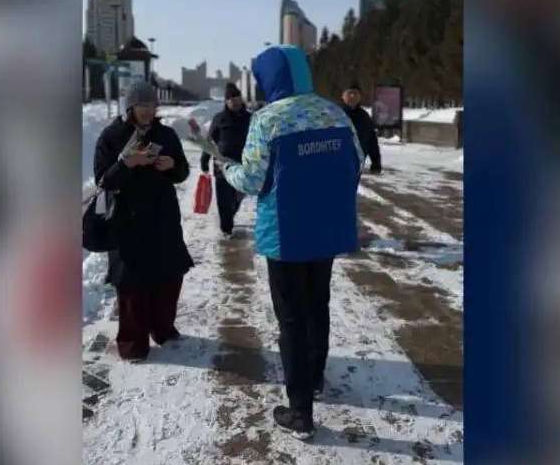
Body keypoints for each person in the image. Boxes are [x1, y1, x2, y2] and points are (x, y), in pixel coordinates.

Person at [191, 45, 362, 440]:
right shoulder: (334, 112)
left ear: (270, 79)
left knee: (292, 317)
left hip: (285, 235)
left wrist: (225, 165)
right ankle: (315, 376)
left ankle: (300, 411)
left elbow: (252, 180)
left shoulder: (267, 120)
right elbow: (354, 165)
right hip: (327, 231)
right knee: (318, 305)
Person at [93, 80, 193, 362]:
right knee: (133, 284)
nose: (148, 110)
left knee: (169, 275)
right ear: (130, 107)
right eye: (142, 105)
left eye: (152, 104)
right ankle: (133, 343)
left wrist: (172, 166)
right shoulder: (111, 137)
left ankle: (162, 328)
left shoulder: (167, 134)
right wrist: (127, 164)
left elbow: (183, 171)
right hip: (128, 221)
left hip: (162, 217)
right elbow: (103, 180)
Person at [199, 83, 251, 237]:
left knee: (237, 196)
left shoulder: (250, 118)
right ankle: (226, 229)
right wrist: (204, 159)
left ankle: (230, 213)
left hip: (243, 165)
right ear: (226, 101)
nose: (235, 102)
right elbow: (209, 141)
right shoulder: (219, 118)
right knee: (223, 199)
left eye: (237, 98)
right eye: (231, 99)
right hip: (222, 165)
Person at [341, 82, 382, 174]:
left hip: (356, 165)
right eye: (349, 93)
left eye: (355, 93)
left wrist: (376, 163)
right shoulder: (335, 114)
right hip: (337, 164)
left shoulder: (364, 117)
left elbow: (372, 141)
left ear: (360, 97)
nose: (352, 96)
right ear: (343, 96)